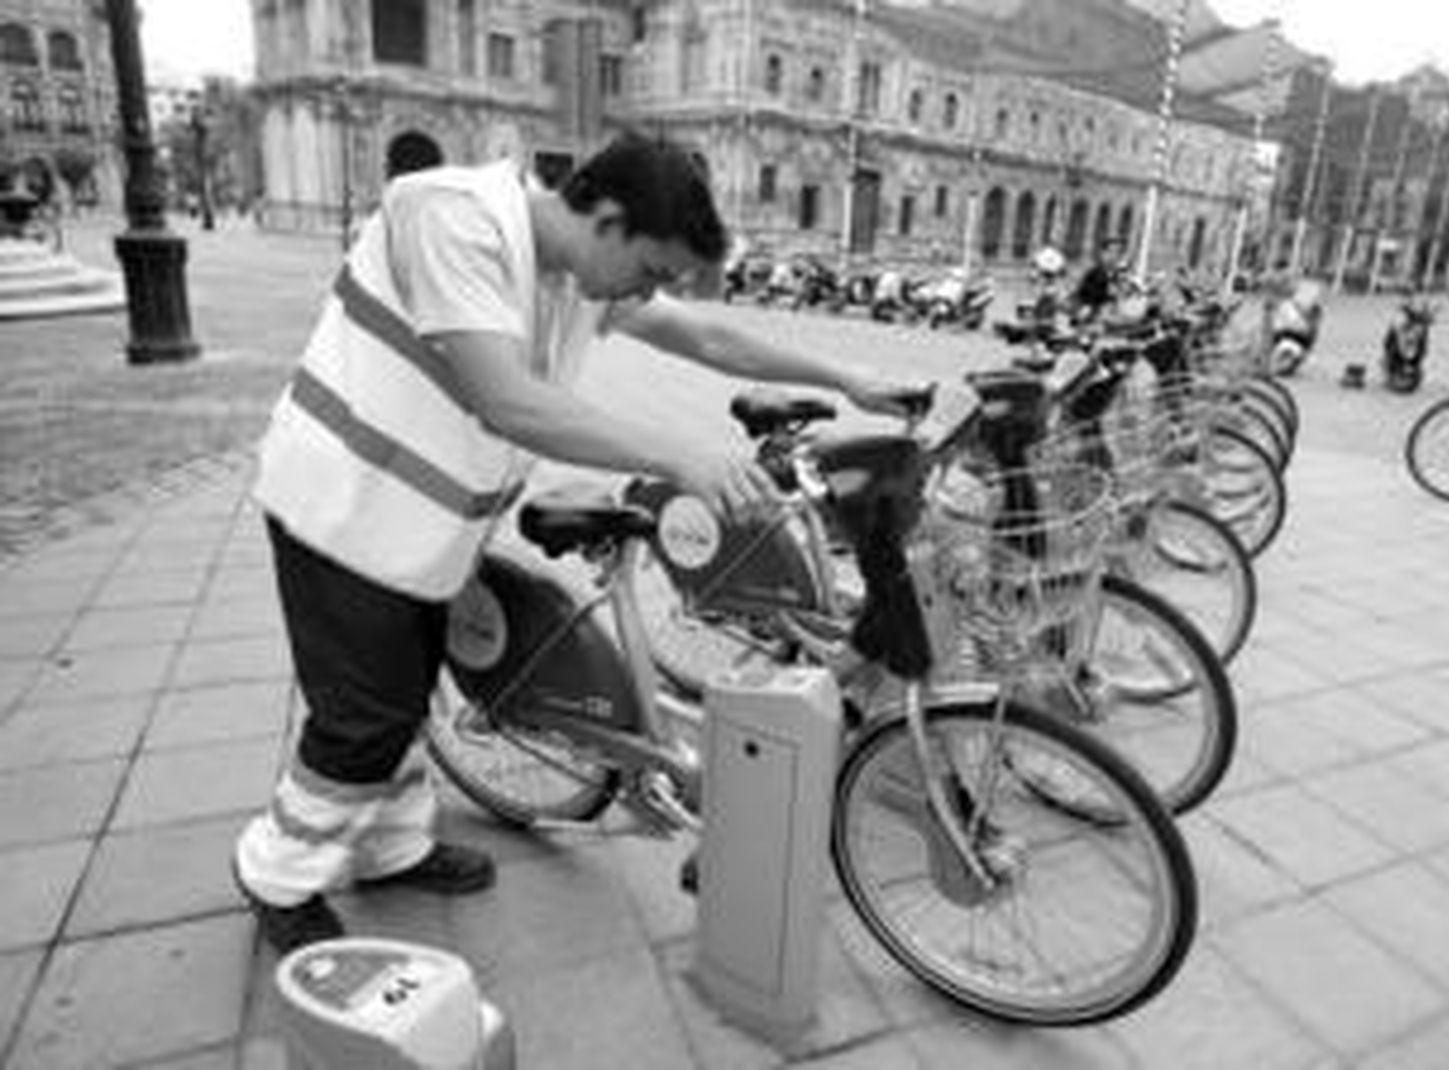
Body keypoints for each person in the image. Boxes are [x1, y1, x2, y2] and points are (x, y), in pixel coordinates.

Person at [232, 130, 928, 955]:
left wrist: (846, 378)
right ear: (606, 217)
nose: (650, 290)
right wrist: (678, 453)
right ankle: (278, 872)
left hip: (425, 528)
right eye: (651, 270)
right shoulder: (450, 216)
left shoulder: (577, 274)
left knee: (405, 694)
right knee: (361, 717)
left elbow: (708, 338)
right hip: (342, 512)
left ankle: (389, 846)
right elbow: (507, 401)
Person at [1072, 238, 1125, 321]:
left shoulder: (1121, 276)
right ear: (1103, 253)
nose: (1113, 256)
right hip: (1094, 316)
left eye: (1117, 252)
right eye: (1110, 251)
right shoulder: (1092, 274)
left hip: (1116, 318)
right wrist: (1088, 307)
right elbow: (1082, 294)